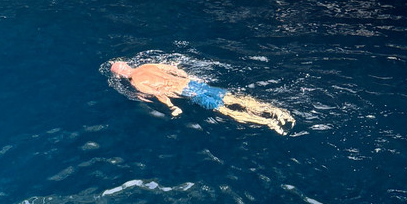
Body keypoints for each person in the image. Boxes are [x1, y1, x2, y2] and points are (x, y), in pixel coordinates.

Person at [110, 60, 295, 134]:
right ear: (127, 64)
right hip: (192, 83)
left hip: (188, 93)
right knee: (234, 98)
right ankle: (275, 110)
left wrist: (173, 107)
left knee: (225, 110)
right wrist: (181, 73)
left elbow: (158, 93)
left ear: (120, 76)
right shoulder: (148, 65)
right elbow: (172, 68)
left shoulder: (136, 82)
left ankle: (269, 123)